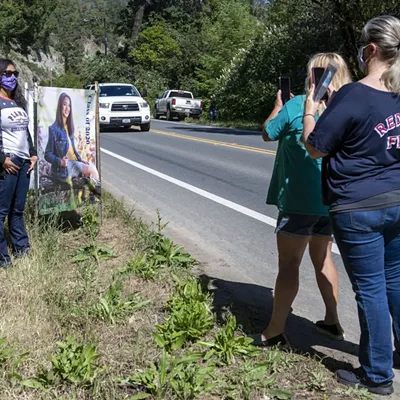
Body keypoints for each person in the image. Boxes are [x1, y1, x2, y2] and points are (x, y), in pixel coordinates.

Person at [302, 15, 400, 396]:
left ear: (371, 50)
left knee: (371, 289)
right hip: (396, 200)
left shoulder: (354, 94)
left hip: (358, 207)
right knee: (395, 280)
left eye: (362, 47)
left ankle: (377, 375)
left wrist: (312, 108)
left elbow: (315, 146)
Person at [251, 53, 352, 349]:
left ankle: (274, 330)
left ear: (312, 76)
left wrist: (277, 107)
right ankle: (333, 321)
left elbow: (268, 133)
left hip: (298, 202)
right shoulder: (348, 106)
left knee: (289, 264)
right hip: (331, 200)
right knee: (323, 259)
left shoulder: (296, 106)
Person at [0, 58, 38, 267]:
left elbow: (25, 132)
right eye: (7, 73)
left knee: (18, 210)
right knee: (1, 212)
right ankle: (3, 259)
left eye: (15, 74)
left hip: (24, 163)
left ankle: (22, 250)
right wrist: (2, 160)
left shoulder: (17, 102)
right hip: (8, 163)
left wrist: (32, 154)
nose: (12, 77)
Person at [45, 93, 99, 187]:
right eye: (64, 104)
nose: (67, 108)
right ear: (60, 106)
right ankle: (96, 198)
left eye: (69, 105)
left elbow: (72, 150)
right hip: (64, 168)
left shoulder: (69, 127)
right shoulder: (54, 129)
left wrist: (80, 159)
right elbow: (47, 154)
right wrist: (60, 161)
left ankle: (90, 197)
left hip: (73, 163)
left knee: (92, 167)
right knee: (92, 170)